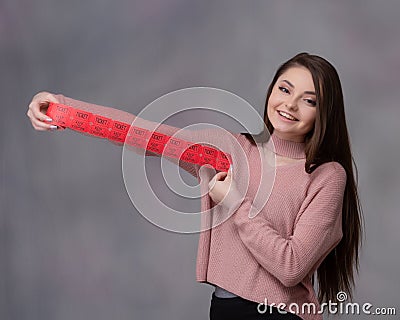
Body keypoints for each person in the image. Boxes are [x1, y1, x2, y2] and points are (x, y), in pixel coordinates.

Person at [27, 52, 363, 320]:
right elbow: (144, 134)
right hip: (224, 310)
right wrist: (62, 109)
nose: (289, 105)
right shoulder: (228, 151)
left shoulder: (326, 176)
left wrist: (232, 202)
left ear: (324, 112)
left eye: (310, 100)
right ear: (271, 90)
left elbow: (290, 267)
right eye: (285, 89)